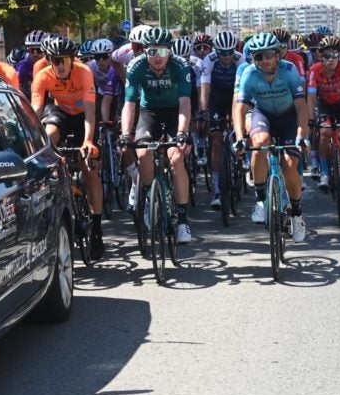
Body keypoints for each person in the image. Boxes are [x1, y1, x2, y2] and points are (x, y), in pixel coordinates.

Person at [117, 26, 194, 245]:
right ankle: (151, 198)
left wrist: (181, 133)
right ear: (144, 51)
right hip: (148, 112)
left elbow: (185, 103)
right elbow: (129, 103)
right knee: (142, 154)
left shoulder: (180, 65)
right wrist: (125, 134)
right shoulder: (136, 65)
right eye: (152, 52)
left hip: (173, 113)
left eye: (162, 52)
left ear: (170, 51)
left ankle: (183, 221)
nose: (157, 58)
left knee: (177, 157)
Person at [31, 35, 105, 258]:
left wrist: (88, 142)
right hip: (60, 112)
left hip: (84, 115)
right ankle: (54, 173)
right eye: (55, 60)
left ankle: (97, 226)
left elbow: (91, 112)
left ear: (72, 59)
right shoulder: (42, 75)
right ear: (49, 60)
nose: (60, 65)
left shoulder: (84, 72)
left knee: (89, 169)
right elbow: (36, 110)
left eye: (64, 60)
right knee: (49, 134)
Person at [232, 31, 309, 243]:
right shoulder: (249, 73)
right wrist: (239, 136)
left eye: (268, 55)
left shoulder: (289, 70)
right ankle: (260, 201)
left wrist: (302, 135)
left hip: (288, 117)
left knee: (289, 164)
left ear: (277, 55)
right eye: (258, 57)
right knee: (258, 143)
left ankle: (296, 213)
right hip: (263, 114)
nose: (264, 61)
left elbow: (301, 106)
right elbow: (240, 109)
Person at [307, 35, 340, 193]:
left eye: (335, 55)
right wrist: (311, 119)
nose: (331, 59)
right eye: (326, 56)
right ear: (320, 56)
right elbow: (310, 97)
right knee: (324, 132)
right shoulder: (314, 70)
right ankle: (324, 172)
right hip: (323, 105)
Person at [197, 30, 245, 208]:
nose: (227, 56)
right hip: (217, 95)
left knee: (240, 127)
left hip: (236, 93)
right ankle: (217, 190)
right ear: (216, 51)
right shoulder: (208, 61)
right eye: (222, 53)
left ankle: (242, 160)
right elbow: (205, 88)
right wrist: (203, 111)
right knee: (216, 140)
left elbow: (244, 89)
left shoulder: (241, 59)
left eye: (230, 52)